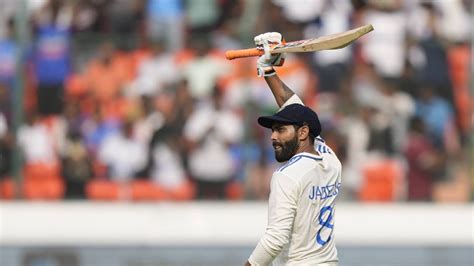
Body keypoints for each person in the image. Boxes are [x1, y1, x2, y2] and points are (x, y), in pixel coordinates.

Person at [245, 33, 342, 266]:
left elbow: (275, 239)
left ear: (302, 133)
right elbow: (295, 107)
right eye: (273, 131)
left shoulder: (287, 176)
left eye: (280, 130)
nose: (273, 137)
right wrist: (268, 70)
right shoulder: (330, 160)